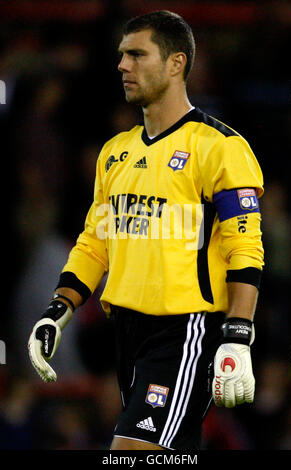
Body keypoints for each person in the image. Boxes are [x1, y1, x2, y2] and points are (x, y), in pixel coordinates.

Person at [28, 10, 264, 451]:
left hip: (186, 330)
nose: (123, 65)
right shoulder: (114, 153)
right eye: (121, 56)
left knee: (133, 453)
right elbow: (95, 242)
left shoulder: (220, 147)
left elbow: (245, 245)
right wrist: (58, 309)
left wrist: (238, 334)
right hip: (126, 333)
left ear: (176, 63)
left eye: (137, 54)